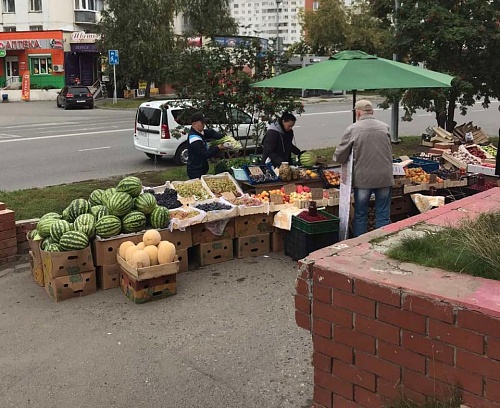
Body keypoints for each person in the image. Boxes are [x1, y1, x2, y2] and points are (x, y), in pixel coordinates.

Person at [334, 100, 393, 237]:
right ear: (372, 112)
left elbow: (340, 155)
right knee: (383, 213)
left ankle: (360, 243)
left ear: (358, 112)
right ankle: (382, 241)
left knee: (361, 214)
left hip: (363, 179)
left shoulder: (353, 129)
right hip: (385, 176)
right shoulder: (385, 127)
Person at [187, 112, 225, 179]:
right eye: (202, 123)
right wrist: (217, 147)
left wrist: (223, 137)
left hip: (201, 168)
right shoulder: (194, 139)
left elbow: (210, 133)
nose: (204, 124)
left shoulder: (199, 132)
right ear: (194, 124)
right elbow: (204, 154)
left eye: (204, 122)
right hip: (195, 171)